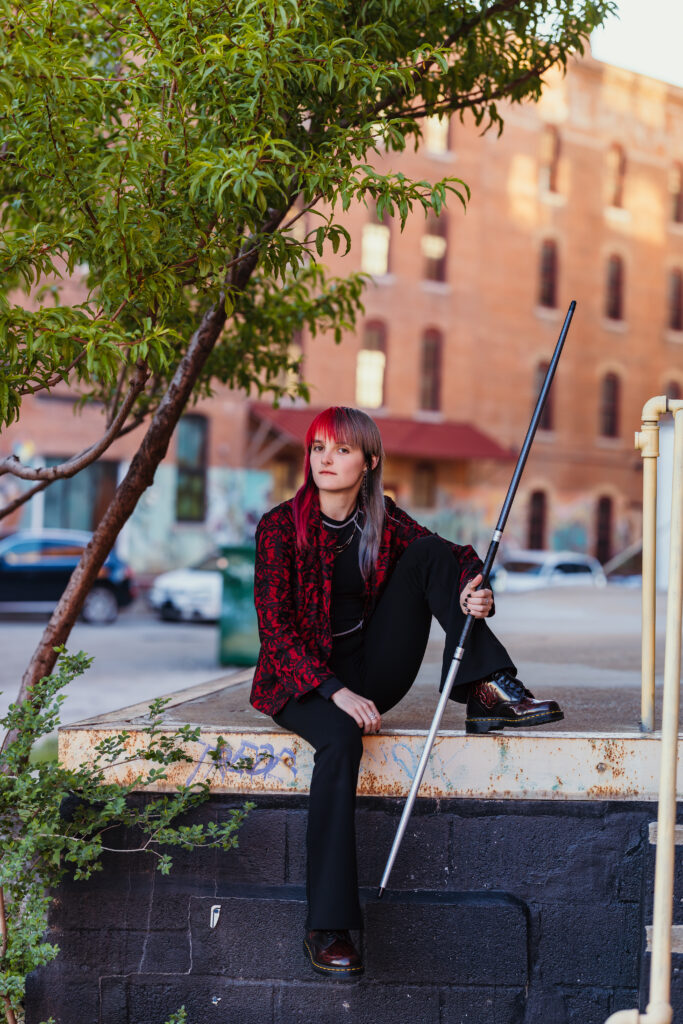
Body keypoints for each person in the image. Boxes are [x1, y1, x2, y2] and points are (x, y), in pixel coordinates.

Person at [250, 406, 563, 979]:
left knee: (429, 557)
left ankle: (487, 688)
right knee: (340, 741)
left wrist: (478, 590)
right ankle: (329, 925)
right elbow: (275, 629)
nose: (325, 458)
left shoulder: (384, 520)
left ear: (369, 462)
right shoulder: (278, 527)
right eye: (318, 447)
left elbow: (456, 557)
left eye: (341, 449)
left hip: (372, 670)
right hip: (299, 681)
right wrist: (333, 690)